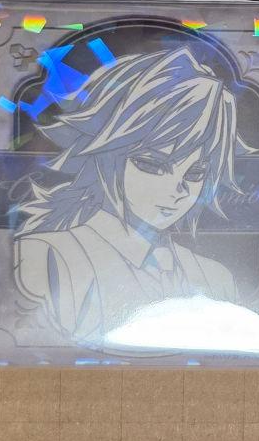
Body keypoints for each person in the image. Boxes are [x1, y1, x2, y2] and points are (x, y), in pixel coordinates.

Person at [14, 46, 242, 347]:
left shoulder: (217, 279)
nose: (179, 189)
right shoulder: (47, 255)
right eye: (152, 165)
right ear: (107, 154)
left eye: (195, 173)